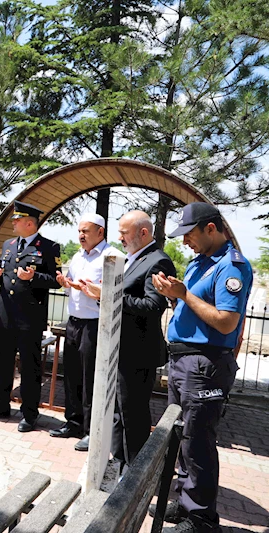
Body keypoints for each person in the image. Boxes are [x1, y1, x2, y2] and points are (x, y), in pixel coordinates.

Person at [149, 203, 252, 533]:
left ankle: (201, 519)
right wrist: (173, 294)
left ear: (211, 228)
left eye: (189, 234)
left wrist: (184, 295)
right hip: (184, 361)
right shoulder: (199, 262)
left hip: (205, 364)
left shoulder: (231, 266)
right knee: (182, 436)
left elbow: (226, 322)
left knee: (198, 442)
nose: (184, 242)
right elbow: (191, 306)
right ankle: (186, 501)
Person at [77, 210, 175, 472]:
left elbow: (153, 306)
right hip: (120, 348)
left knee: (132, 415)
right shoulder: (134, 257)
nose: (119, 238)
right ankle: (120, 462)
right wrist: (102, 294)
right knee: (118, 412)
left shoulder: (158, 261)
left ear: (143, 232)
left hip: (137, 352)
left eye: (124, 233)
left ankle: (134, 473)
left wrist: (108, 293)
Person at [0, 201, 60, 432]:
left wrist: (34, 277)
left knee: (29, 368)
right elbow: (4, 275)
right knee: (3, 363)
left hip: (29, 318)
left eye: (17, 220)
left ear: (29, 223)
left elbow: (56, 281)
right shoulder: (9, 244)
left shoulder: (49, 247)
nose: (13, 223)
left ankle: (29, 413)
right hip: (5, 315)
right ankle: (1, 405)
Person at [52, 213, 114, 451]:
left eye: (85, 231)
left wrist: (95, 290)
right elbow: (72, 287)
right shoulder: (78, 256)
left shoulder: (111, 257)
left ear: (100, 232)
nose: (81, 235)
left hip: (94, 324)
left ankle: (91, 430)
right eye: (79, 231)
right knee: (71, 375)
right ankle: (73, 422)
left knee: (90, 379)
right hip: (74, 322)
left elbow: (113, 293)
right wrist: (66, 283)